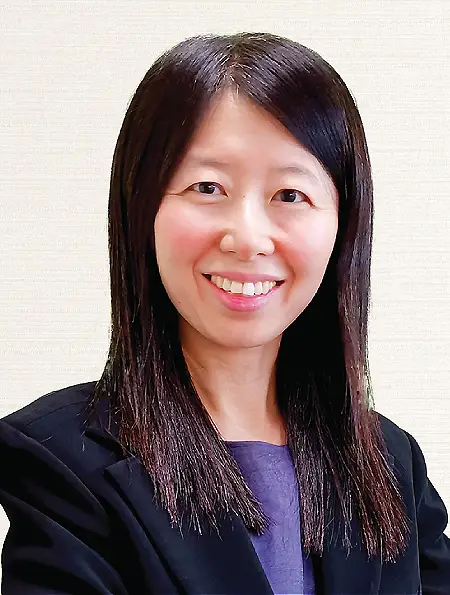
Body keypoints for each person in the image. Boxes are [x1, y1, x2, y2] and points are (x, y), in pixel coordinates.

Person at [0, 31, 449, 595]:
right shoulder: (61, 460)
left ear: (343, 224)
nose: (248, 237)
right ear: (142, 207)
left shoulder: (390, 464)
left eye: (290, 195)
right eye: (207, 187)